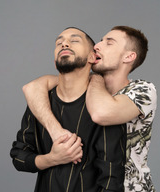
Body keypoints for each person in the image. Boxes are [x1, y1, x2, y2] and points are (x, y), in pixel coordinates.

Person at [23, 26, 157, 192]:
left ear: (129, 56)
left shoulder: (143, 89)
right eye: (100, 40)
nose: (98, 46)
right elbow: (32, 88)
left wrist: (96, 78)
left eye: (109, 43)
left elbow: (101, 113)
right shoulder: (86, 91)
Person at [10, 27, 126, 191]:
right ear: (55, 61)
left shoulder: (104, 108)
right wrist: (52, 159)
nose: (64, 44)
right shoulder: (40, 102)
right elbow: (19, 157)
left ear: (92, 57)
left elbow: (111, 181)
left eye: (74, 40)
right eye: (59, 43)